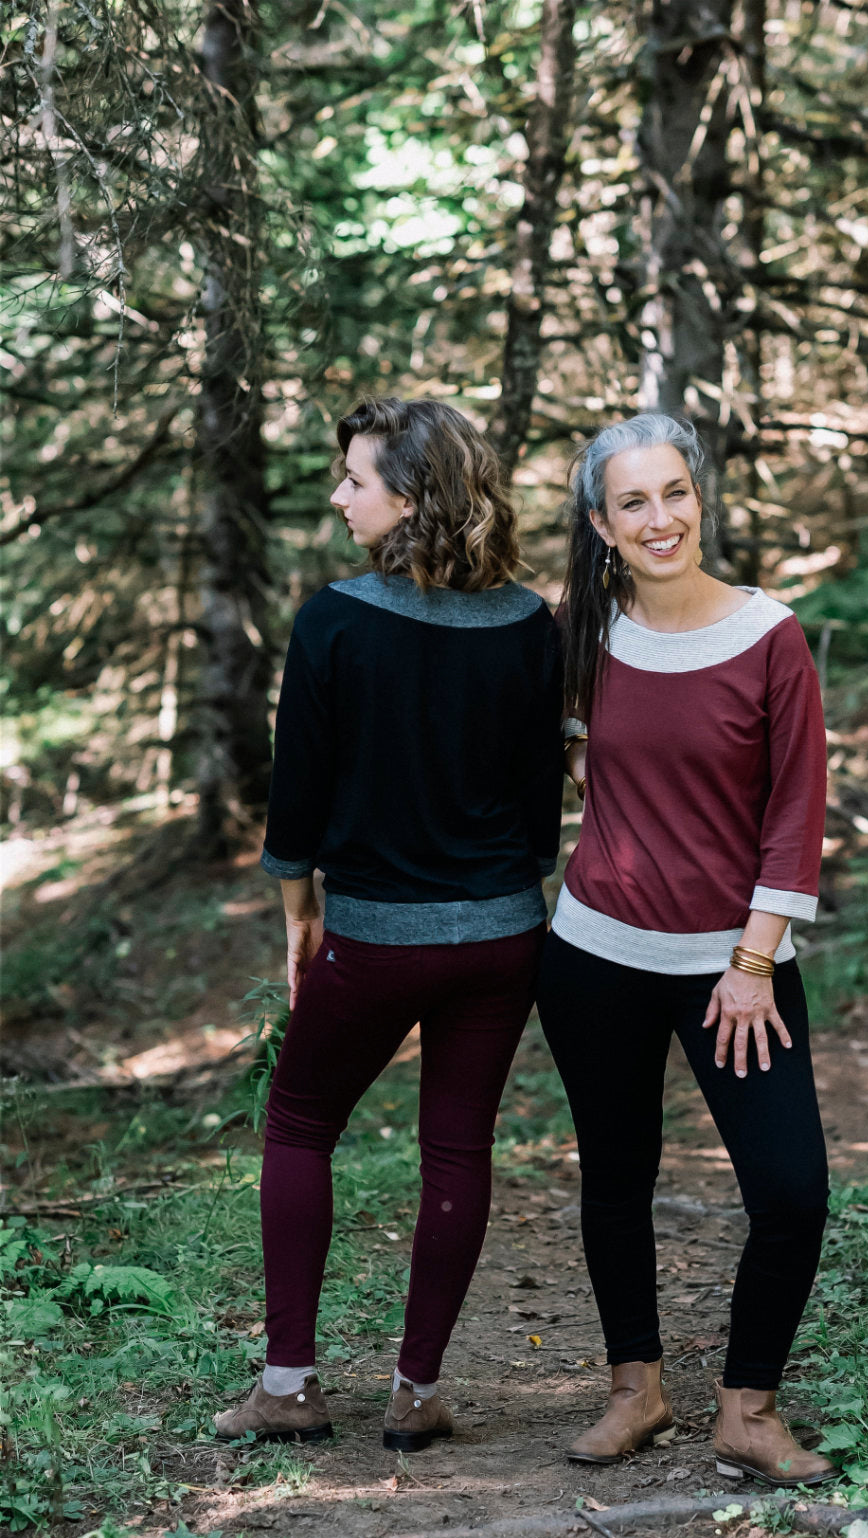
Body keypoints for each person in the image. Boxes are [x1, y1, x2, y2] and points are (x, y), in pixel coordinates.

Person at [214, 397, 564, 1451]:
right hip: (503, 935)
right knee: (456, 1146)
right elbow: (542, 808)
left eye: (355, 480)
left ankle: (288, 1387)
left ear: (409, 499)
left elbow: (298, 801)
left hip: (372, 937)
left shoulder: (332, 618)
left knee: (300, 1123)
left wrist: (298, 914)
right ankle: (414, 1394)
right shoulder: (529, 624)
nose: (337, 497)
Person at [536, 412, 835, 1486]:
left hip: (732, 969)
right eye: (633, 502)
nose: (659, 518)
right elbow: (564, 740)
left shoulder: (768, 633)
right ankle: (637, 1389)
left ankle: (746, 1408)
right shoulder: (580, 631)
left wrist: (752, 962)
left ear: (698, 498)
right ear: (600, 523)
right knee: (614, 1179)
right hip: (595, 956)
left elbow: (795, 811)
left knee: (791, 1189)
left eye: (674, 493)